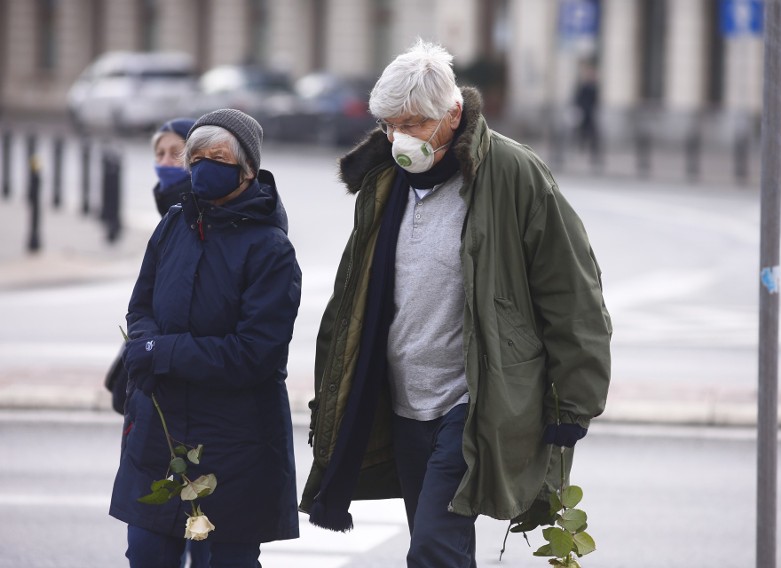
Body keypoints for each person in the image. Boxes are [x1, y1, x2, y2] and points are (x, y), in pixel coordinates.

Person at [300, 40, 612, 567]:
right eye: (390, 126)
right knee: (439, 545)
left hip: (472, 401)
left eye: (414, 125)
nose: (400, 139)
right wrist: (332, 393)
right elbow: (350, 300)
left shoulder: (513, 175)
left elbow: (572, 291)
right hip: (402, 401)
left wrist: (574, 399)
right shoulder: (382, 183)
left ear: (453, 114)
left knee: (432, 549)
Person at [110, 109, 301, 567]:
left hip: (235, 446)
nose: (201, 166)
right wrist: (146, 342)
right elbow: (141, 307)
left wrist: (161, 351)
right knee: (147, 554)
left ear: (247, 168)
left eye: (216, 157)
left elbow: (253, 354)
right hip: (161, 434)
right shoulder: (174, 225)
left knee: (224, 560)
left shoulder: (270, 250)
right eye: (194, 157)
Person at [105, 117, 196, 415]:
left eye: (176, 153)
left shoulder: (194, 217)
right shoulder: (171, 216)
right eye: (159, 154)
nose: (165, 162)